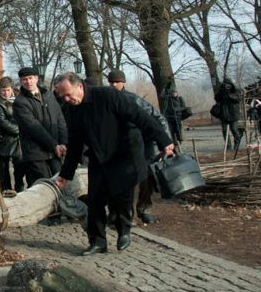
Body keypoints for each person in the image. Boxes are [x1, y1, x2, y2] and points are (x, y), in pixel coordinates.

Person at [54, 72, 174, 256]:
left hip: (124, 153)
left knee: (121, 197)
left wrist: (164, 140)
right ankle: (98, 241)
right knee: (94, 201)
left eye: (69, 94)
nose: (67, 99)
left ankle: (124, 230)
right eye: (63, 96)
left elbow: (140, 116)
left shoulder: (108, 95)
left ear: (79, 86)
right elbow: (75, 143)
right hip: (99, 156)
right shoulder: (71, 109)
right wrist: (65, 174)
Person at [107, 70, 170, 225]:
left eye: (117, 82)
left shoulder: (133, 100)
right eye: (111, 82)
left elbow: (158, 118)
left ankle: (144, 209)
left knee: (145, 178)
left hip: (144, 144)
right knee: (117, 179)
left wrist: (166, 142)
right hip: (121, 146)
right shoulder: (107, 101)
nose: (114, 85)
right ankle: (118, 213)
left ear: (123, 82)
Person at [11, 67, 68, 189]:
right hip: (35, 153)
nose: (28, 82)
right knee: (41, 188)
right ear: (21, 81)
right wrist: (53, 145)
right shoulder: (20, 103)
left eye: (30, 78)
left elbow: (60, 120)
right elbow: (33, 128)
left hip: (56, 151)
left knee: (61, 186)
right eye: (24, 79)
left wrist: (63, 143)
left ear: (36, 78)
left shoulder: (48, 95)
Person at [0, 77, 25, 193]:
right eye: (3, 90)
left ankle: (19, 188)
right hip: (2, 138)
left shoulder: (19, 98)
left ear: (12, 88)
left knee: (19, 165)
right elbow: (2, 122)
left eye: (8, 90)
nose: (6, 93)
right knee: (3, 167)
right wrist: (20, 130)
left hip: (16, 139)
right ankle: (6, 190)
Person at [214, 78, 242, 151]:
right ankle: (228, 146)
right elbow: (216, 99)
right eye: (226, 85)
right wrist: (222, 90)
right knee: (225, 130)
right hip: (224, 114)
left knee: (234, 129)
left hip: (233, 113)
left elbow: (237, 99)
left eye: (229, 85)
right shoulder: (221, 92)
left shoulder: (235, 91)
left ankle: (237, 144)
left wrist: (229, 94)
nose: (228, 87)